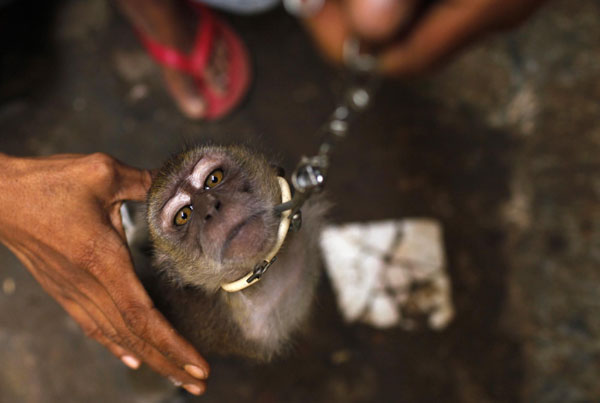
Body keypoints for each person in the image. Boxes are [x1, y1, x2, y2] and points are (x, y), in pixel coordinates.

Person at [0, 0, 547, 396]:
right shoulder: (243, 322)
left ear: (271, 170)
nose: (211, 206)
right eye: (186, 216)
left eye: (215, 179)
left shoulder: (288, 203)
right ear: (183, 272)